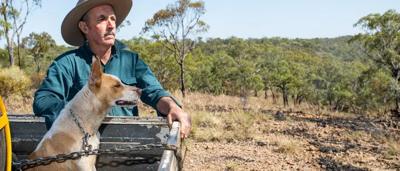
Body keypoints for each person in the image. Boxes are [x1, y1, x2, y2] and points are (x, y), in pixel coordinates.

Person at [33, 0, 191, 139]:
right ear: (84, 27)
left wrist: (172, 106)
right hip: (80, 147)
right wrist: (81, 111)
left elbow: (155, 92)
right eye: (102, 19)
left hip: (126, 143)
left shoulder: (131, 60)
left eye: (113, 19)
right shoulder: (66, 64)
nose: (111, 25)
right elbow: (44, 100)